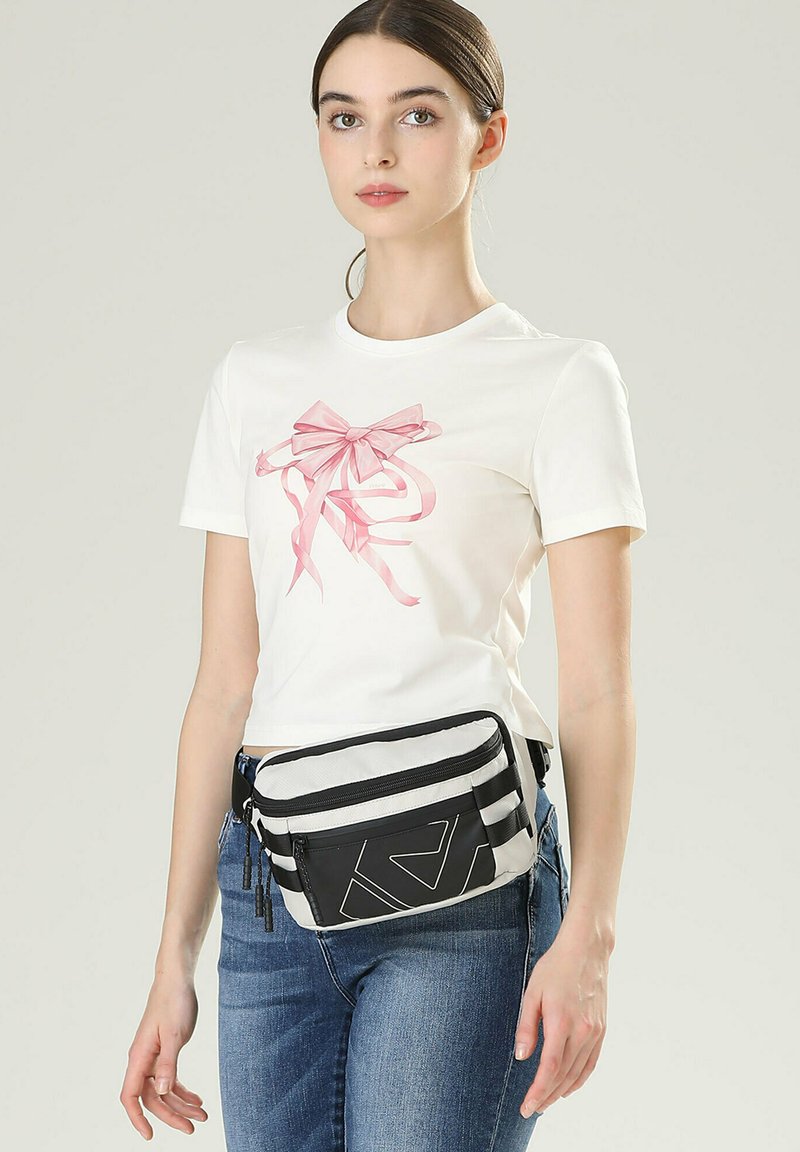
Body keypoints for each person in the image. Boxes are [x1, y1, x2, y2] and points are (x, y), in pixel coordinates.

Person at [120, 2, 648, 1148]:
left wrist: (590, 937)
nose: (375, 149)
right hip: (270, 887)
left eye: (416, 115)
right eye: (342, 117)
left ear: (486, 136)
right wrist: (172, 958)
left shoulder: (557, 382)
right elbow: (222, 685)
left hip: (463, 881)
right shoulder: (253, 381)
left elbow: (598, 691)